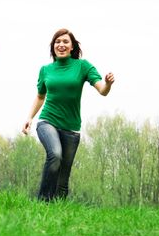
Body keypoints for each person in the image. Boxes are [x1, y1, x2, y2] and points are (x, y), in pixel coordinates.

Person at [22, 28, 115, 201]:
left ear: (72, 47)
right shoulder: (46, 70)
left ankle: (59, 212)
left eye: (65, 42)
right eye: (57, 42)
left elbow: (102, 90)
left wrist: (108, 84)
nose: (61, 45)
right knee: (55, 154)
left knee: (63, 180)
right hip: (47, 121)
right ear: (53, 47)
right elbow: (40, 97)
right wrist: (29, 118)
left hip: (71, 129)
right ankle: (43, 202)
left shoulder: (82, 66)